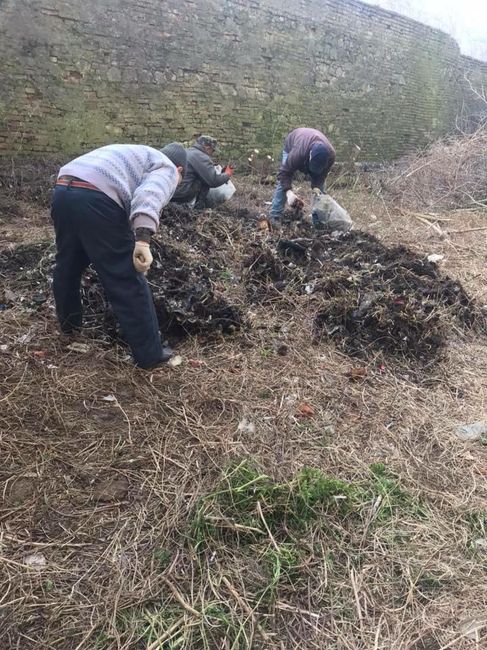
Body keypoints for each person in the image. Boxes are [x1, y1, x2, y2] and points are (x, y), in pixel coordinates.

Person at [51, 142, 187, 370]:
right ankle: (150, 355)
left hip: (64, 188)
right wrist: (143, 239)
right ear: (180, 170)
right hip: (96, 196)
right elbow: (150, 194)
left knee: (69, 264)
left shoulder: (138, 154)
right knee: (126, 276)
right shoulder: (167, 167)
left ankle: (69, 328)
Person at [269, 127, 336, 226]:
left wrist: (316, 187)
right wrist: (289, 192)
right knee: (283, 183)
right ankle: (275, 215)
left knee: (320, 191)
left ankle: (318, 222)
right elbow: (284, 173)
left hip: (308, 144)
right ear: (309, 156)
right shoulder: (298, 152)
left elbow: (321, 177)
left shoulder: (331, 156)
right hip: (292, 145)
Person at [171, 135, 233, 209]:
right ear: (207, 148)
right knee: (205, 182)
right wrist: (227, 174)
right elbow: (213, 181)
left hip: (172, 193)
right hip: (182, 196)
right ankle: (196, 210)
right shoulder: (202, 157)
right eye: (212, 151)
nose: (212, 153)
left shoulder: (188, 151)